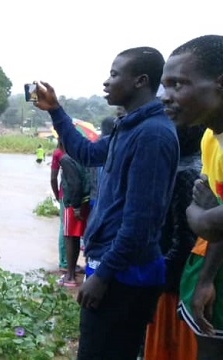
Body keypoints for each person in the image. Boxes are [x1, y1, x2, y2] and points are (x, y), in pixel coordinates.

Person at [33, 46, 179, 359]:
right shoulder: (128, 128)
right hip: (113, 269)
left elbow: (141, 222)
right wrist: (55, 110)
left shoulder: (152, 135)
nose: (106, 82)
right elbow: (86, 153)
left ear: (140, 81)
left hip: (125, 276)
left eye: (114, 74)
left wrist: (102, 276)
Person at [161, 34, 223, 359]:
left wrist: (203, 216)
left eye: (178, 85)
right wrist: (206, 280)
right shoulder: (210, 141)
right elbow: (210, 225)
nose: (166, 97)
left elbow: (206, 218)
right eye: (165, 86)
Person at [143, 124, 204, 360]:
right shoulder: (189, 165)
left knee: (170, 348)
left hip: (173, 288)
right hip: (174, 279)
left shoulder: (184, 172)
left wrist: (156, 280)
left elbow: (184, 242)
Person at [58, 152, 91, 287]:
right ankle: (86, 270)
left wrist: (75, 206)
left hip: (73, 203)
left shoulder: (66, 159)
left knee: (70, 237)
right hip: (86, 200)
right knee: (82, 236)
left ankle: (70, 276)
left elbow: (74, 182)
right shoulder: (84, 156)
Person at [51, 139, 68, 271]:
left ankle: (64, 262)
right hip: (79, 195)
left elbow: (53, 178)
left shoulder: (58, 153)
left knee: (64, 227)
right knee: (72, 230)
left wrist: (57, 195)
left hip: (65, 194)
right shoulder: (76, 151)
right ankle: (66, 261)